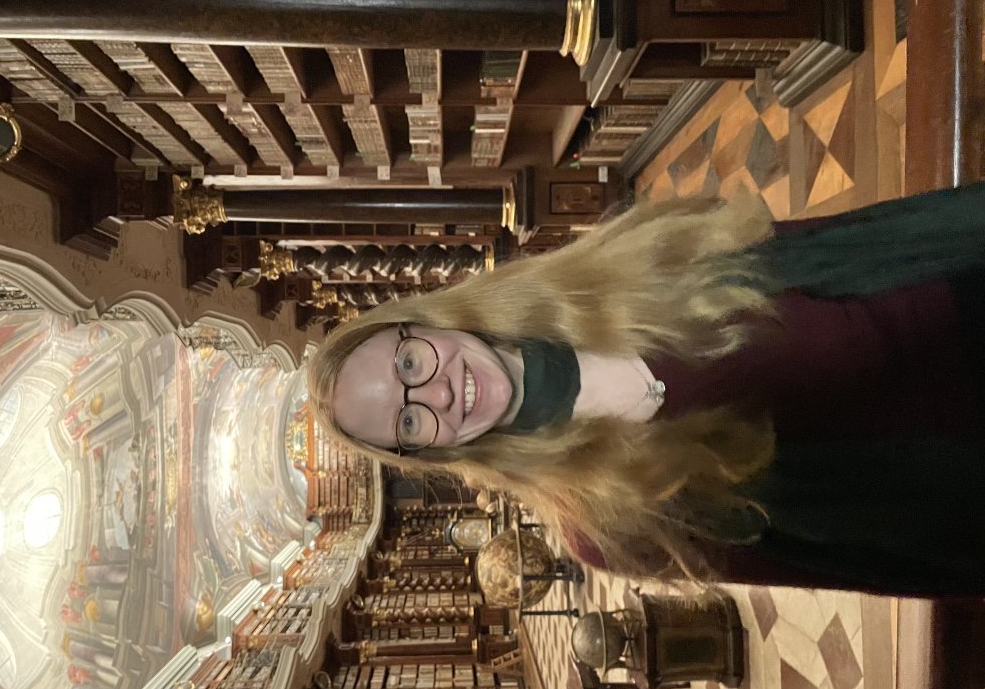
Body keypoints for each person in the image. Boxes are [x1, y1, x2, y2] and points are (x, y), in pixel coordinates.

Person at [307, 184, 985, 597]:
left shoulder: (624, 261)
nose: (435, 395)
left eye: (409, 364)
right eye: (408, 422)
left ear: (427, 321)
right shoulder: (603, 528)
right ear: (430, 453)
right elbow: (845, 562)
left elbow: (868, 239)